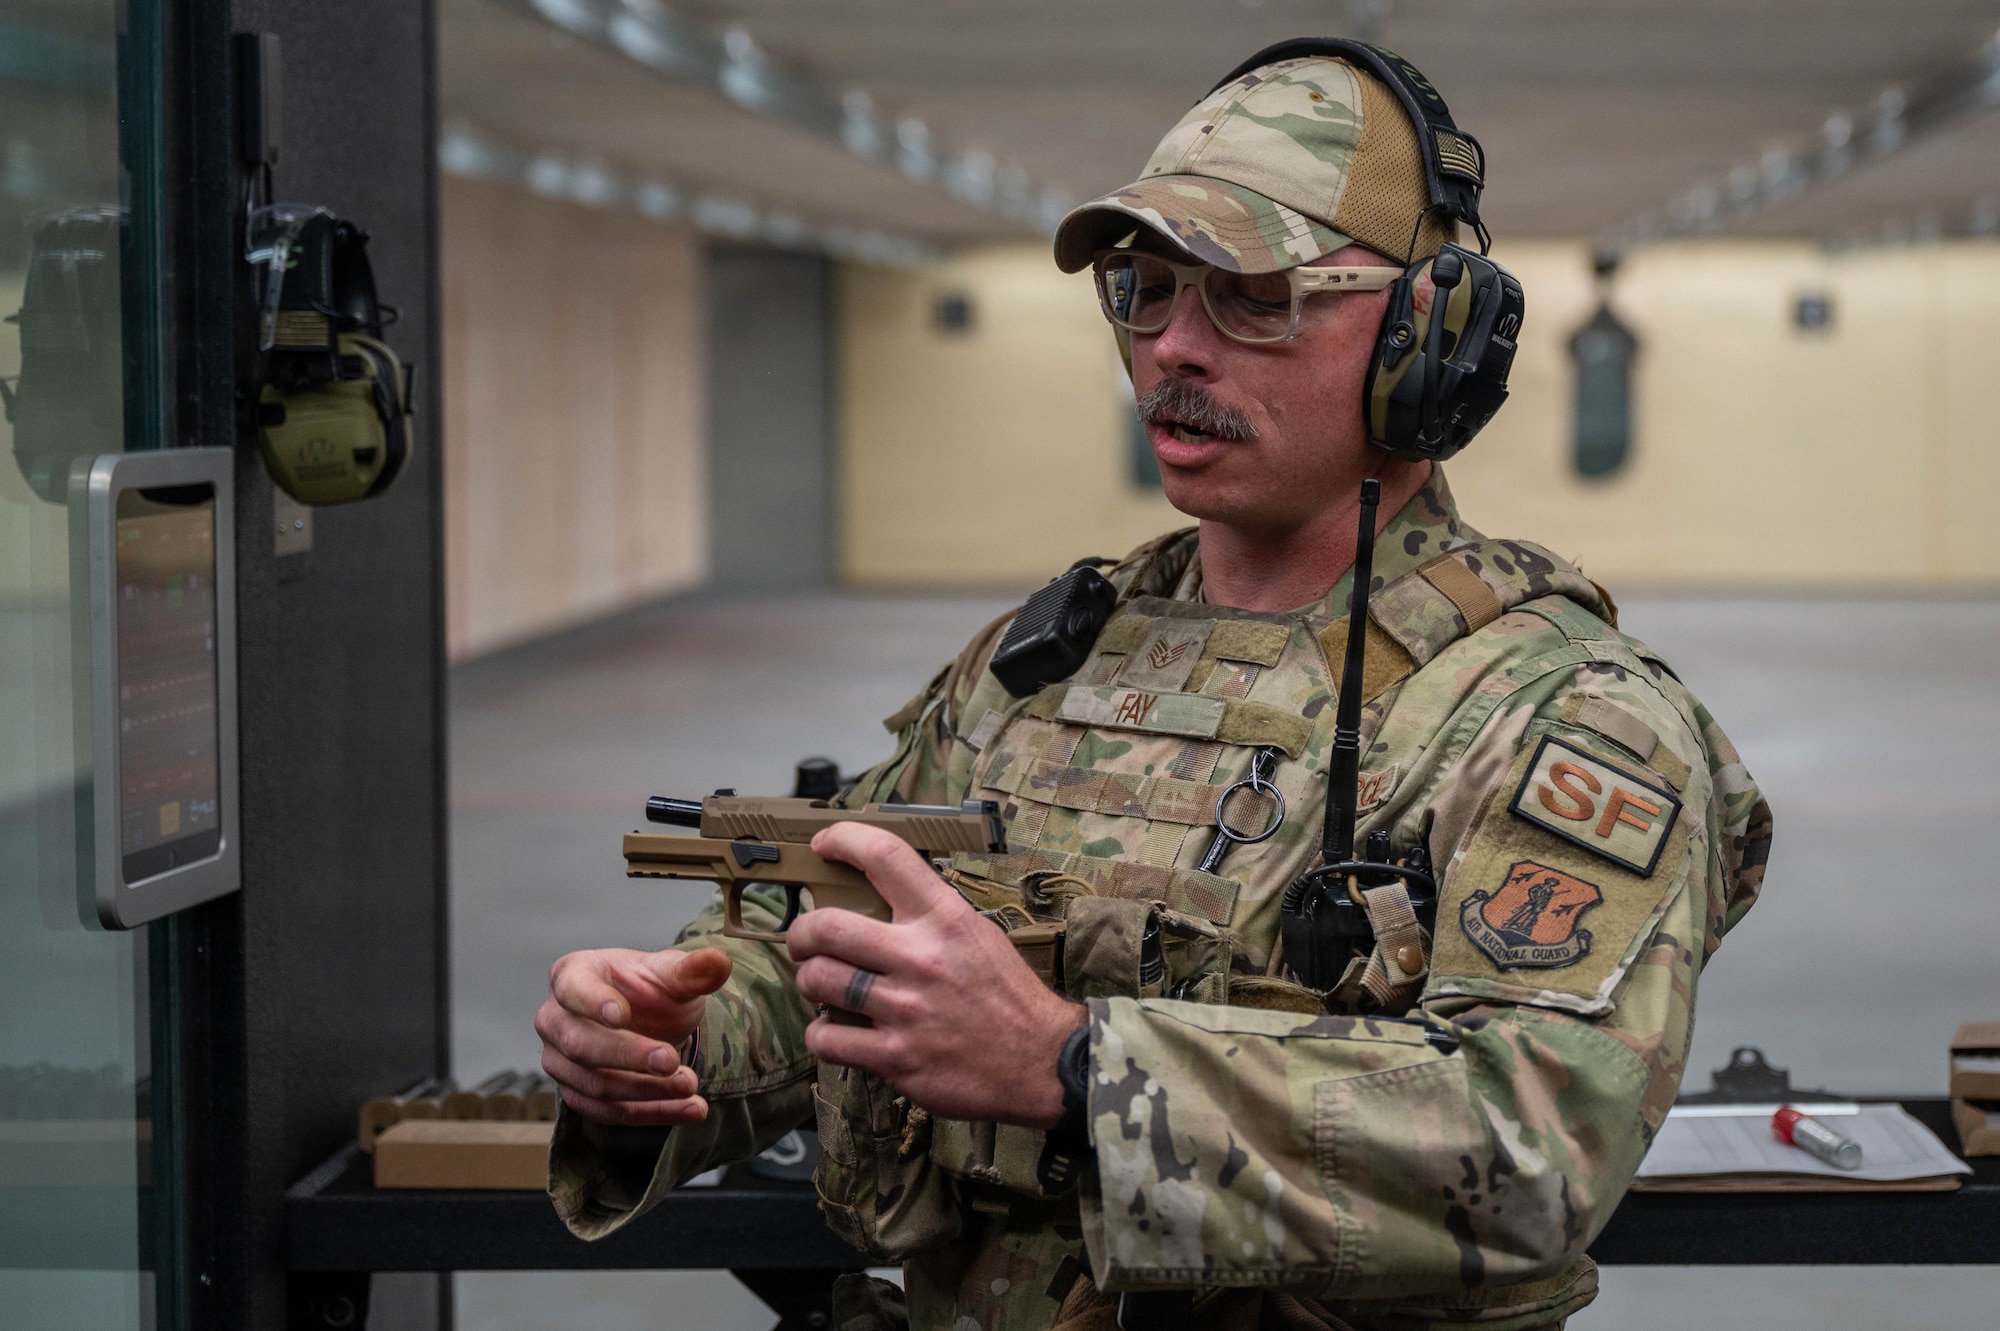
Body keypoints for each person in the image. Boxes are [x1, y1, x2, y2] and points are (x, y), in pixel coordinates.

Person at [535, 41, 1773, 1331]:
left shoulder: (1560, 711)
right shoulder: (1047, 658)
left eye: (1251, 296)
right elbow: (847, 950)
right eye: (1145, 289)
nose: (1174, 346)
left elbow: (1534, 1146)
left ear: (1427, 338)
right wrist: (673, 1041)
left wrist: (1071, 1070)